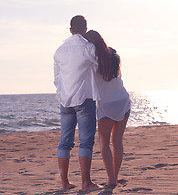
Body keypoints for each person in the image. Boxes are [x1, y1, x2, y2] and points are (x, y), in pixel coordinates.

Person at [53, 16, 101, 191]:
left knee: (64, 142)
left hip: (65, 101)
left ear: (70, 30)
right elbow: (99, 69)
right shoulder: (89, 48)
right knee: (86, 142)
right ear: (85, 29)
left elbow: (57, 78)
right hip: (84, 98)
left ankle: (65, 183)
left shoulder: (59, 50)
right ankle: (86, 183)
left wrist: (62, 95)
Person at [84, 30, 131, 187]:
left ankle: (111, 180)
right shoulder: (114, 55)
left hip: (108, 105)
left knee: (104, 143)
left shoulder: (93, 59)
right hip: (123, 101)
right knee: (117, 141)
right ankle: (114, 178)